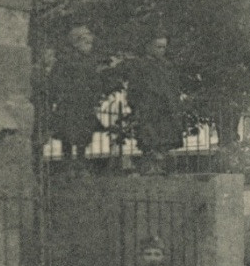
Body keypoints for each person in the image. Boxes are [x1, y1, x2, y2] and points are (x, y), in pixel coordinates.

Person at [46, 24, 108, 168]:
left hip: (85, 103)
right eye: (86, 43)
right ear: (75, 43)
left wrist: (96, 94)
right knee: (67, 134)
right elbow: (56, 80)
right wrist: (60, 94)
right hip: (69, 103)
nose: (89, 46)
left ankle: (80, 162)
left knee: (84, 134)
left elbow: (95, 81)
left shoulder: (89, 61)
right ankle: (67, 163)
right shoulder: (65, 61)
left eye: (90, 43)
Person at [122, 33, 183, 175]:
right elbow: (134, 89)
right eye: (158, 47)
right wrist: (136, 105)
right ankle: (150, 167)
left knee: (165, 139)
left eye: (164, 47)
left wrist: (174, 103)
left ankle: (161, 166)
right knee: (150, 139)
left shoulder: (167, 66)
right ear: (148, 47)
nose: (161, 50)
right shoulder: (140, 65)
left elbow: (174, 87)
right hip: (149, 108)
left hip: (165, 109)